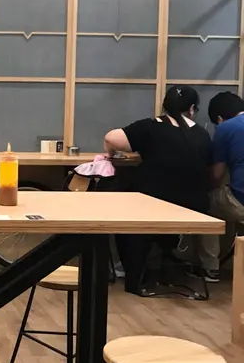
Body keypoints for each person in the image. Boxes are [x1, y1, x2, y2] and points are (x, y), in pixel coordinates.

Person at [103, 86, 212, 295]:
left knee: (127, 213)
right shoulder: (202, 134)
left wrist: (111, 154)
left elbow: (111, 138)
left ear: (164, 106)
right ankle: (169, 264)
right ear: (191, 109)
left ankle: (133, 276)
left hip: (156, 206)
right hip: (194, 207)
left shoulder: (151, 126)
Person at [195, 91, 244, 278]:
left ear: (219, 118)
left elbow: (216, 174)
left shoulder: (226, 128)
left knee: (205, 204)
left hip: (240, 202)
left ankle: (210, 267)